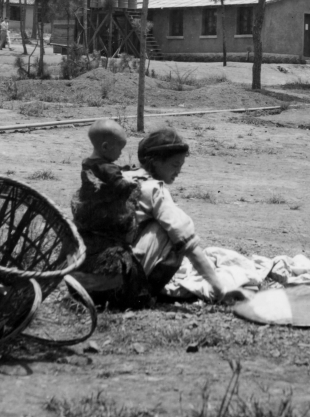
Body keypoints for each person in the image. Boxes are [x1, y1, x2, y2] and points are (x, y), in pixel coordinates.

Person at [128, 127, 228, 301]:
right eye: (175, 165)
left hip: (94, 275)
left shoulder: (123, 177)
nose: (178, 171)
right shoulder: (154, 189)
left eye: (181, 166)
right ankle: (142, 293)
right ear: (156, 161)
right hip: (127, 283)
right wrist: (218, 288)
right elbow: (186, 241)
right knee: (172, 229)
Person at [70, 119, 150, 308]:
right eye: (119, 149)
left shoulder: (90, 163)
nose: (121, 153)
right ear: (106, 147)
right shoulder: (107, 167)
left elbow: (107, 175)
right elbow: (119, 185)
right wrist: (133, 182)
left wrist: (123, 170)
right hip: (105, 219)